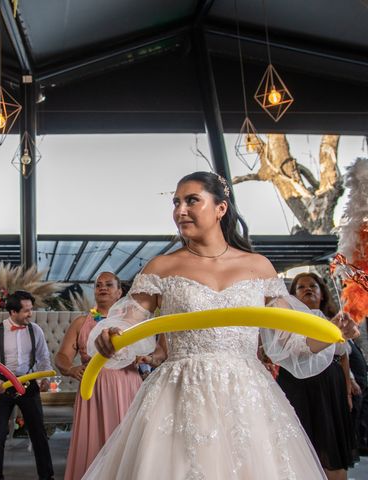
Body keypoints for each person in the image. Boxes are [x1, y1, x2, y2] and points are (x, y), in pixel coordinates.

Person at [83, 171, 359, 480]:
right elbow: (127, 322)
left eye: (191, 201)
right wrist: (111, 335)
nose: (179, 210)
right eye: (176, 202)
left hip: (246, 395)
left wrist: (334, 333)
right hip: (179, 393)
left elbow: (289, 342)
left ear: (220, 208)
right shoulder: (161, 267)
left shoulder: (258, 266)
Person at [55, 271, 142, 480]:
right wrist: (71, 369)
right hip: (93, 389)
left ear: (120, 292)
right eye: (98, 285)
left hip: (127, 386)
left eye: (109, 284)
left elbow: (150, 351)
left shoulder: (133, 321)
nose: (102, 288)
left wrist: (144, 357)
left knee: (125, 438)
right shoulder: (81, 322)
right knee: (92, 441)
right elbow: (62, 356)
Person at [277, 272, 356, 480]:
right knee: (302, 442)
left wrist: (347, 391)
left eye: (313, 285)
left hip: (329, 388)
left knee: (330, 444)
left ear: (322, 293)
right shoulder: (285, 321)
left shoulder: (334, 321)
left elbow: (344, 357)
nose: (307, 289)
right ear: (293, 295)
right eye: (301, 287)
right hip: (297, 387)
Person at [0, 290, 54, 480]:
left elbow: (43, 358)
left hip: (28, 383)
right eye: (26, 311)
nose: (30, 314)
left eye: (31, 310)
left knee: (38, 432)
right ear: (13, 312)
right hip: (3, 385)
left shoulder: (35, 330)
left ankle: (47, 476)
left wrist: (45, 378)